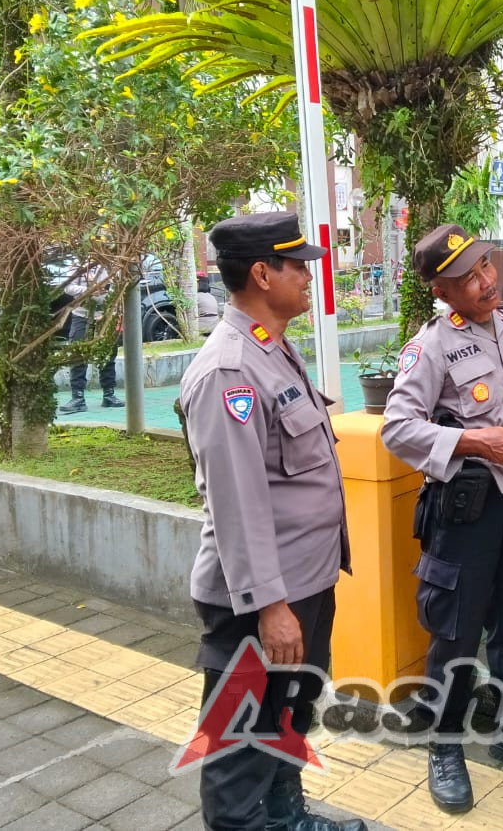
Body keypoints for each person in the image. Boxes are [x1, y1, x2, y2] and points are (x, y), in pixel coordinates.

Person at [179, 211, 365, 831]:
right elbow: (237, 502)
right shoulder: (229, 370)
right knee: (239, 742)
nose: (309, 277)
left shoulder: (272, 347)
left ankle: (286, 818)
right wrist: (271, 606)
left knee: (287, 714)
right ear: (262, 274)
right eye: (297, 267)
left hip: (303, 581)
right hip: (262, 600)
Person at [381, 224, 503, 814]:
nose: (487, 281)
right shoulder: (431, 346)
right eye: (468, 278)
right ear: (441, 290)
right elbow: (397, 429)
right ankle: (445, 746)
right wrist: (471, 441)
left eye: (486, 266)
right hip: (466, 513)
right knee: (457, 632)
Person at [59, 266, 124, 413]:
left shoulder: (111, 264)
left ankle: (109, 394)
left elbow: (119, 287)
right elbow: (68, 287)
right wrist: (89, 291)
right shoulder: (79, 264)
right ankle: (78, 398)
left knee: (108, 354)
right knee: (77, 354)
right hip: (81, 314)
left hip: (107, 314)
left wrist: (108, 297)